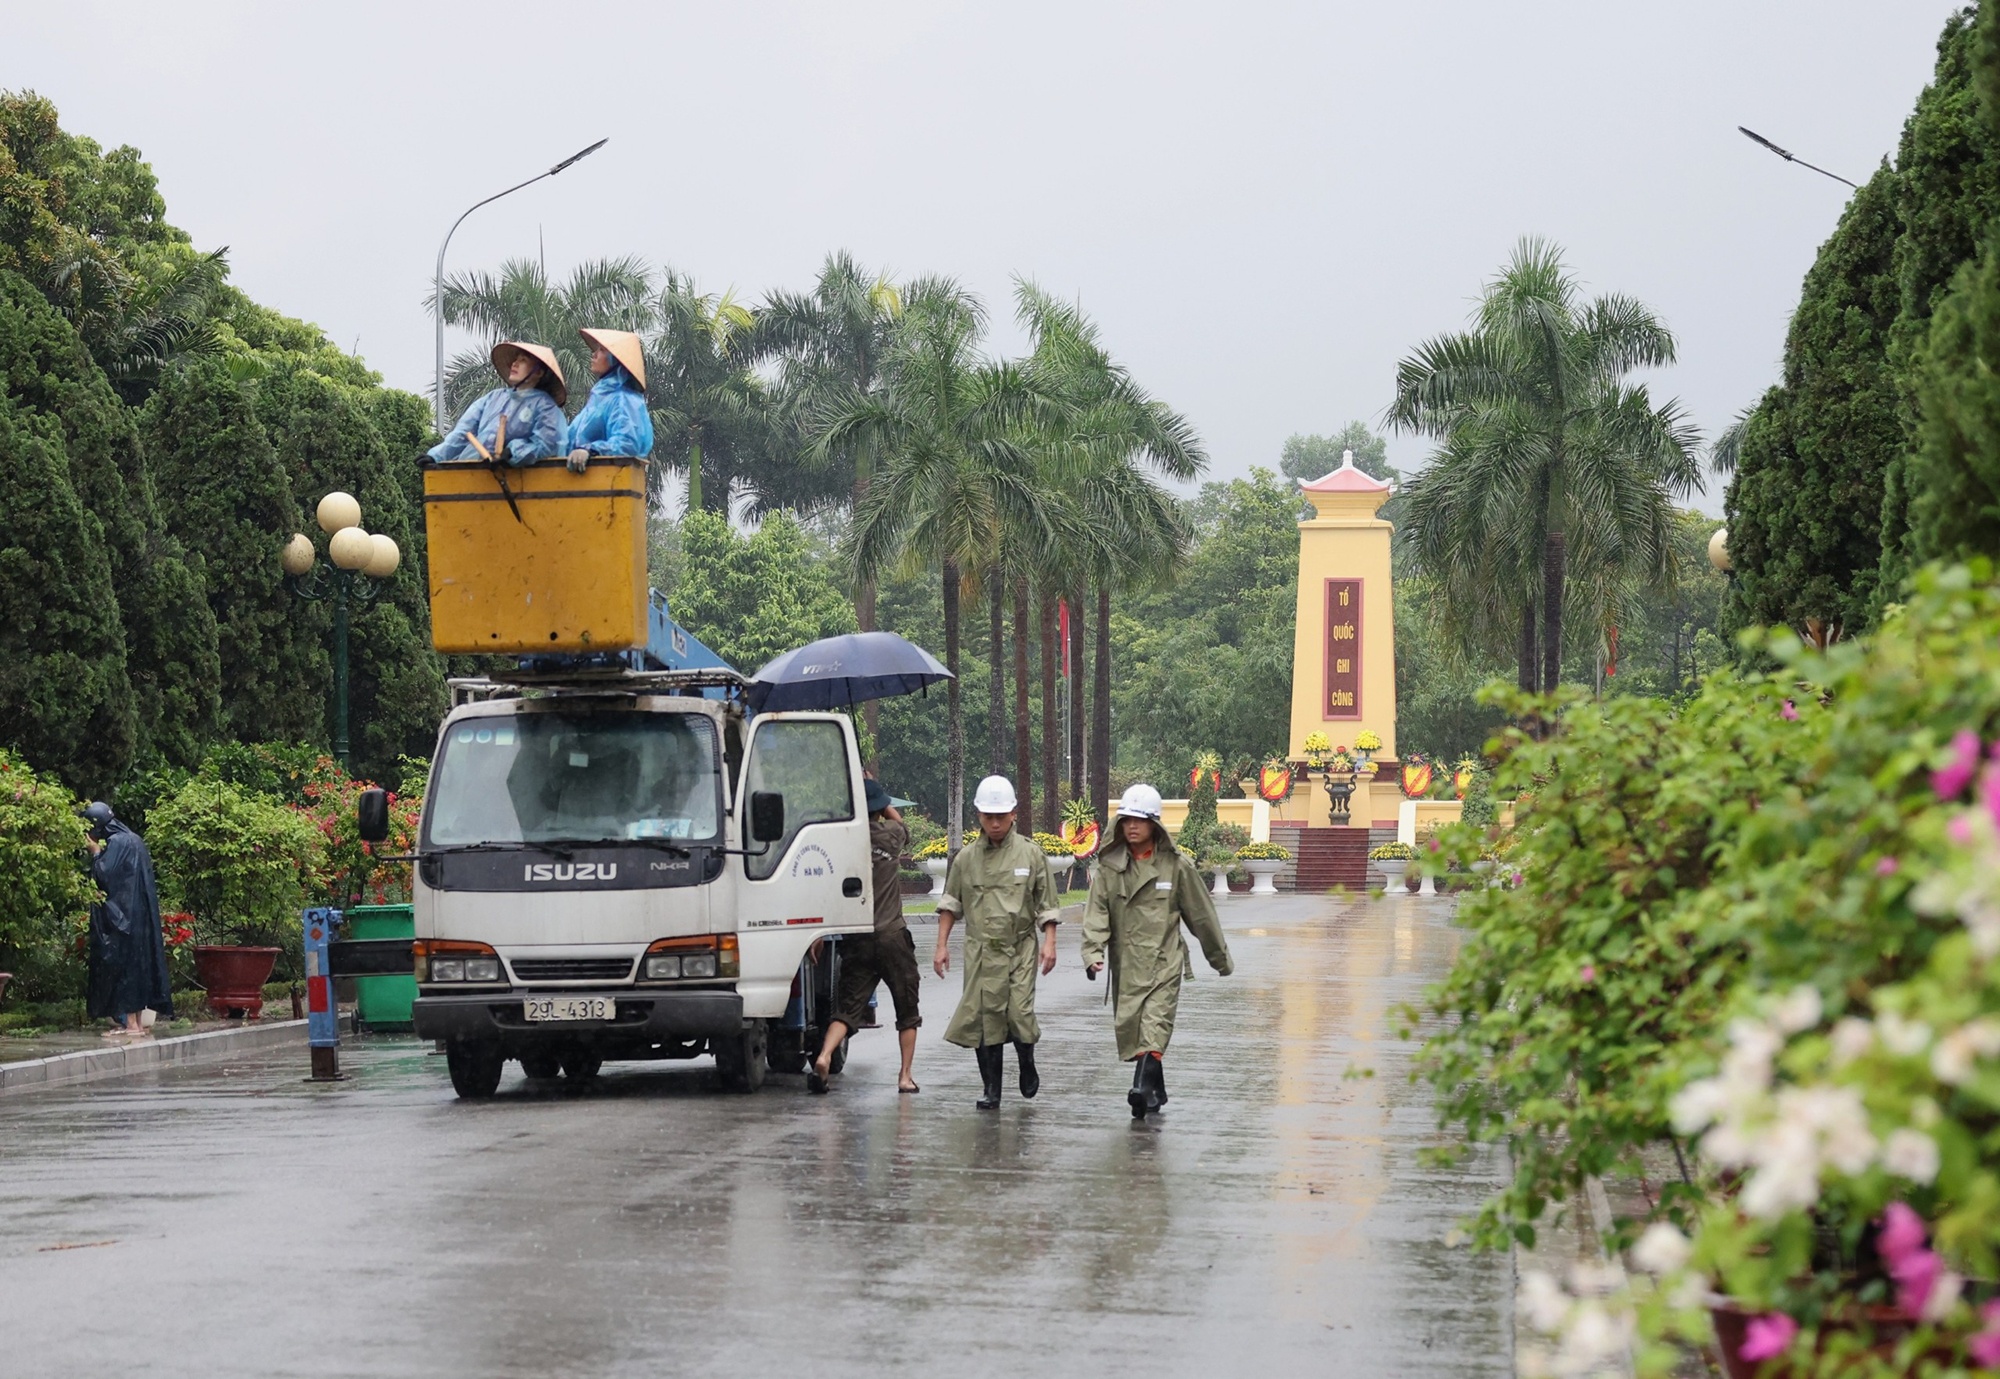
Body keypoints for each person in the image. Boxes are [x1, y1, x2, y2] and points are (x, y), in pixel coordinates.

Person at [1081, 783, 1233, 1119]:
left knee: (1154, 1026)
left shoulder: (1177, 867)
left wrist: (1219, 959)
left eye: (1140, 820)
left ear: (1155, 824)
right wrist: (1093, 953)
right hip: (1126, 964)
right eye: (1126, 820)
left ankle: (1140, 1089)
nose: (1132, 826)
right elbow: (1096, 915)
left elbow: (1202, 916)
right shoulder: (1108, 868)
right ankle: (1155, 1091)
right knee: (1135, 1030)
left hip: (1164, 962)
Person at [934, 775, 1061, 1109]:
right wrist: (941, 946)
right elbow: (951, 904)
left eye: (1000, 816)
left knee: (1018, 1013)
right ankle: (992, 1089)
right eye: (988, 816)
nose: (994, 823)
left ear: (1013, 814)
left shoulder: (1031, 855)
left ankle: (1026, 1061)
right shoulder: (965, 859)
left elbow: (1047, 904)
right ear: (977, 815)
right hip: (979, 950)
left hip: (1019, 947)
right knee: (982, 1019)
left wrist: (1049, 943)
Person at [808, 777, 921, 1094]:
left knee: (846, 1009)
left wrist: (820, 932)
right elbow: (902, 824)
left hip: (856, 938)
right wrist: (884, 802)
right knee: (907, 1011)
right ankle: (905, 1076)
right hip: (892, 937)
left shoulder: (842, 844)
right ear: (880, 810)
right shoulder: (892, 835)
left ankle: (825, 1055)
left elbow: (829, 890)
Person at [82, 802, 173, 1041]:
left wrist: (95, 853)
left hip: (124, 919)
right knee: (137, 969)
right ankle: (136, 1024)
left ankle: (132, 1025)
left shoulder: (118, 843)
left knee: (126, 971)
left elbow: (104, 876)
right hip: (139, 917)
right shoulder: (134, 839)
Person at [425, 341, 568, 465]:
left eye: (523, 360)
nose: (515, 363)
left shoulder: (545, 406)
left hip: (520, 482)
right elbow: (463, 432)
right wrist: (435, 456)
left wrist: (513, 452)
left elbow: (550, 444)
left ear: (539, 372)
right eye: (515, 359)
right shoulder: (493, 398)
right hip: (472, 470)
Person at [564, 328, 654, 474]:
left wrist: (591, 450)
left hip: (611, 485)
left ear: (616, 360)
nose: (594, 354)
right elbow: (568, 439)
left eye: (602, 350)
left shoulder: (624, 399)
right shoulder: (599, 398)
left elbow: (628, 444)